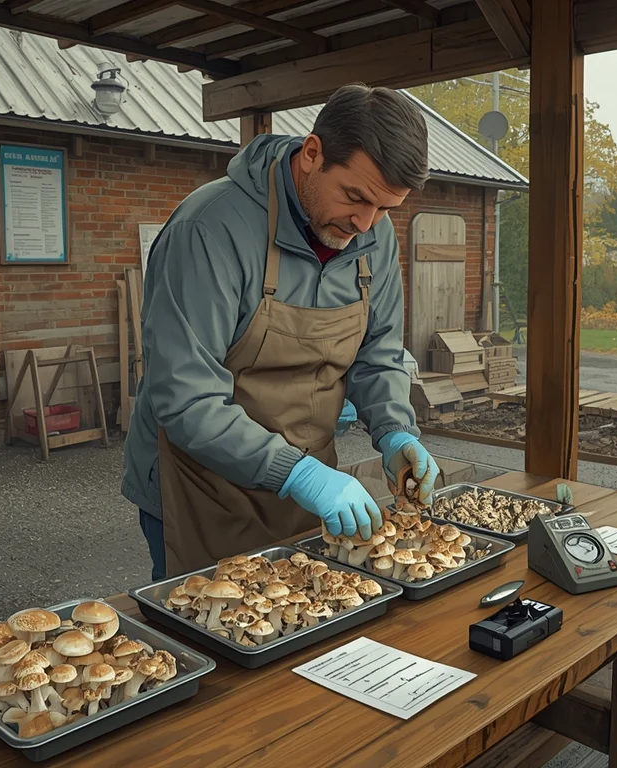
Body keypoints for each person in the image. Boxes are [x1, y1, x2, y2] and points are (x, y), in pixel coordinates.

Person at [121, 84, 440, 580]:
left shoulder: (373, 234)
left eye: (384, 209)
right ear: (312, 154)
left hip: (306, 487)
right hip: (201, 489)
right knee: (213, 637)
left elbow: (378, 353)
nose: (365, 223)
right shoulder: (209, 230)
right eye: (355, 197)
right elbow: (186, 399)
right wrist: (297, 473)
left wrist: (396, 429)